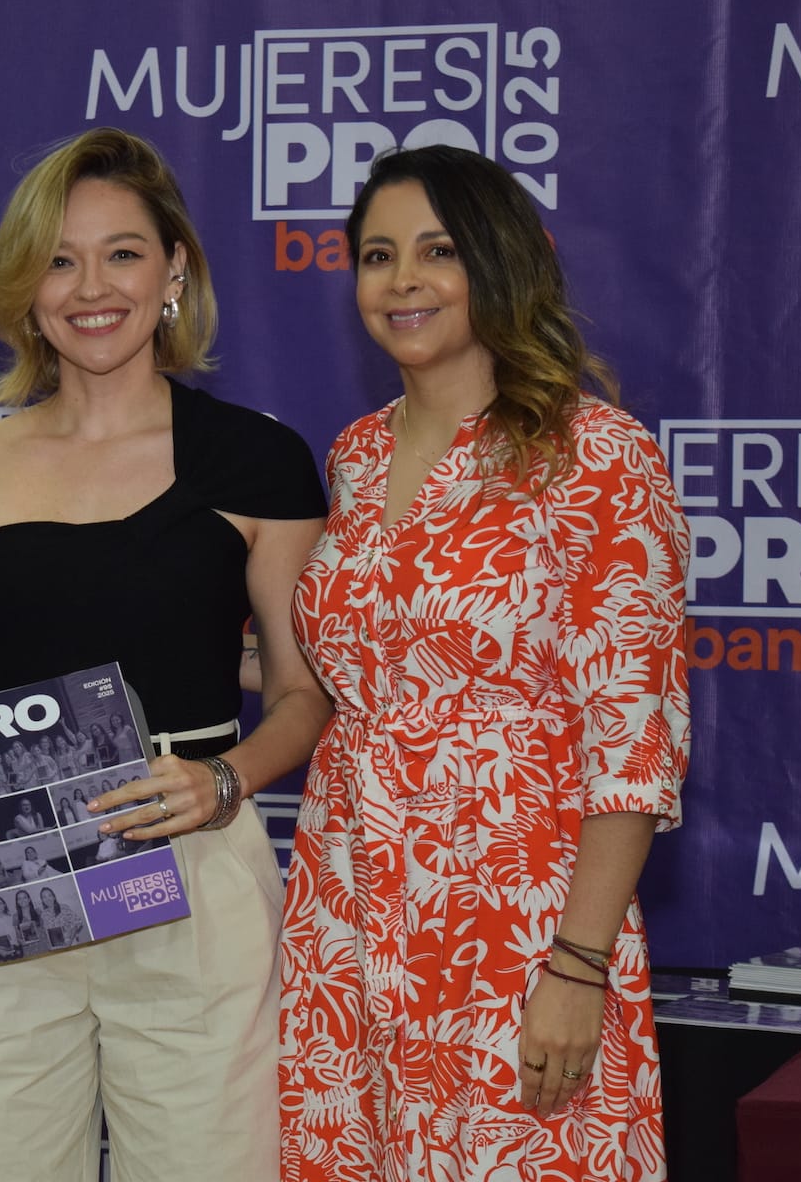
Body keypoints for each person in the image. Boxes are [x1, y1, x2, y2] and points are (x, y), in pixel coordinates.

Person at [0, 127, 331, 1182]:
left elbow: (303, 694)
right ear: (24, 289)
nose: (91, 288)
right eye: (59, 261)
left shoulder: (257, 463)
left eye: (122, 253)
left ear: (174, 270)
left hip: (193, 866)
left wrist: (223, 781)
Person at [278, 144, 690, 1181]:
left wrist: (579, 967)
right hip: (347, 909)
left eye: (438, 251)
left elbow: (630, 742)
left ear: (500, 263)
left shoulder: (597, 456)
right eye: (378, 255)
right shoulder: (356, 455)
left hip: (516, 918)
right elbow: (361, 666)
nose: (402, 281)